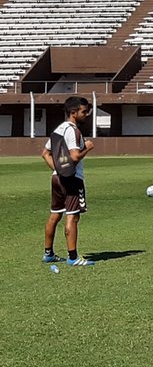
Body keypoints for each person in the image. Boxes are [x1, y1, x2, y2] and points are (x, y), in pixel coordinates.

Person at [41, 96, 95, 266]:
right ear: (73, 112)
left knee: (55, 214)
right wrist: (87, 148)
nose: (86, 115)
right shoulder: (73, 131)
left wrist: (58, 170)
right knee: (72, 216)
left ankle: (48, 254)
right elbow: (75, 156)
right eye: (84, 112)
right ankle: (73, 258)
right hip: (72, 179)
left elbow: (45, 153)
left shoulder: (59, 129)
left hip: (57, 178)